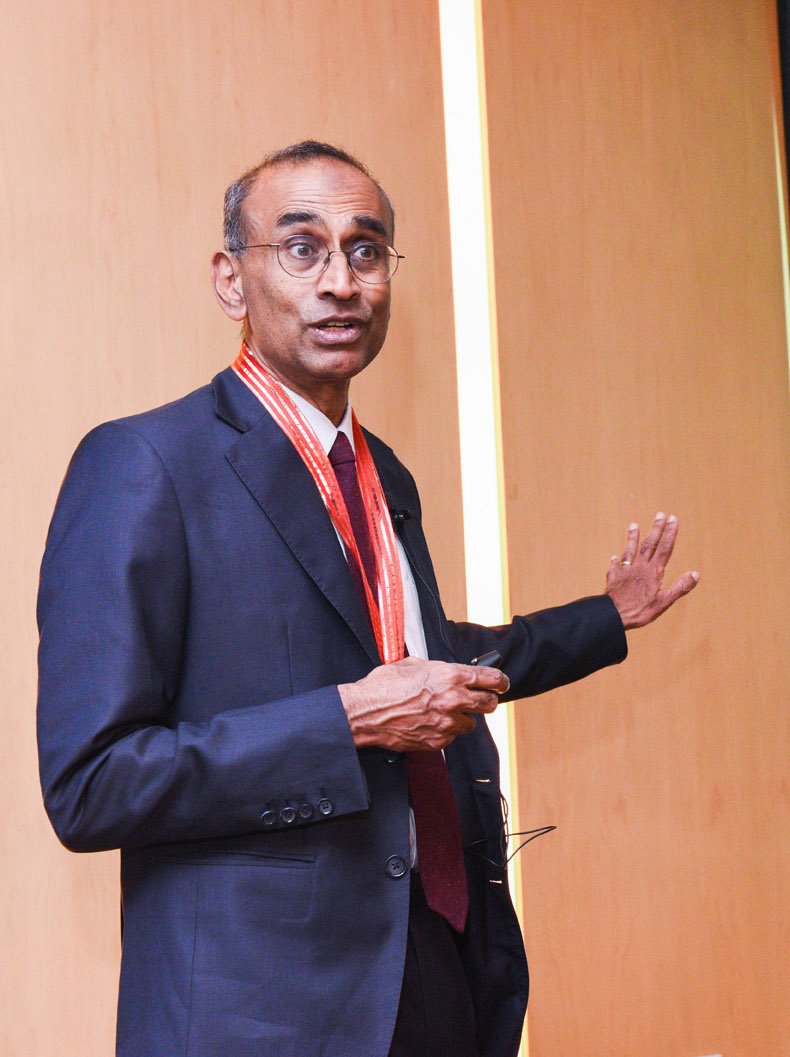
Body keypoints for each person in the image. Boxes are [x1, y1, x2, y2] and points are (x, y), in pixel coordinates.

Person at [35, 140, 698, 1057]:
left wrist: (604, 619)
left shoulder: (381, 472)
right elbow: (92, 783)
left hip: (433, 968)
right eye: (302, 248)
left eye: (367, 250)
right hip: (262, 1010)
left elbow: (425, 660)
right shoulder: (145, 463)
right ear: (231, 280)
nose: (341, 282)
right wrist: (346, 720)